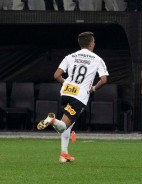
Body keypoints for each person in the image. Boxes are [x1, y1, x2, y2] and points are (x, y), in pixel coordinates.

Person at [37, 32, 109, 163]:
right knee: (63, 126)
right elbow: (104, 80)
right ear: (92, 43)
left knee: (70, 126)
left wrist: (66, 83)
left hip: (65, 93)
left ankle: (64, 154)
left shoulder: (70, 56)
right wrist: (93, 88)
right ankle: (52, 120)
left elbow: (56, 75)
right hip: (79, 96)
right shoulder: (97, 59)